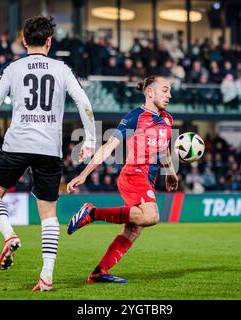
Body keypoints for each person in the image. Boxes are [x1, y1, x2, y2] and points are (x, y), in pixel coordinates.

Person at [0, 16, 96, 292]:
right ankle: (46, 277)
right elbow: (84, 103)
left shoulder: (13, 68)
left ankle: (9, 235)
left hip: (17, 145)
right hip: (49, 150)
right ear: (49, 41)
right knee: (48, 215)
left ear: (23, 41)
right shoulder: (62, 69)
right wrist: (91, 139)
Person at [66, 75, 178, 283]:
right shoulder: (135, 116)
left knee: (134, 229)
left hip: (148, 179)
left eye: (170, 90)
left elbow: (163, 150)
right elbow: (109, 147)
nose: (169, 95)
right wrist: (84, 173)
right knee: (151, 216)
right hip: (133, 174)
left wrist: (170, 172)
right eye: (165, 90)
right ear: (150, 92)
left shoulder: (168, 120)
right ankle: (92, 213)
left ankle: (99, 272)